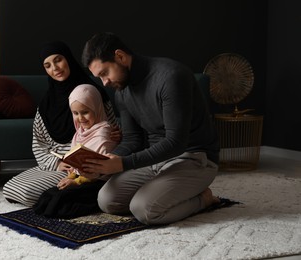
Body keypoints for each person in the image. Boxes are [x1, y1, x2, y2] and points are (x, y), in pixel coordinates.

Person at [80, 32, 220, 225]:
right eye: (99, 77)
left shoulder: (171, 77)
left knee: (144, 210)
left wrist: (122, 164)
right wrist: (101, 165)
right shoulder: (122, 90)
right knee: (107, 201)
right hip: (156, 160)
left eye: (104, 73)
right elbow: (132, 140)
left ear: (120, 56)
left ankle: (203, 199)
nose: (105, 83)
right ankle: (161, 191)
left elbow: (176, 143)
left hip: (194, 157)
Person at [3, 41, 119, 207]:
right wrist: (56, 163)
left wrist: (117, 136)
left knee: (29, 194)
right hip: (57, 164)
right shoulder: (46, 104)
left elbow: (110, 129)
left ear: (69, 59)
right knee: (11, 188)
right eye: (48, 65)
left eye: (58, 60)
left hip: (85, 168)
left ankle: (88, 186)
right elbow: (39, 144)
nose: (55, 68)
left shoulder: (93, 93)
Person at [33, 84, 118, 218]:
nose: (80, 118)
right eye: (75, 113)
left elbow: (99, 171)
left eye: (85, 112)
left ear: (97, 108)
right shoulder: (80, 133)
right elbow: (75, 163)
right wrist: (69, 177)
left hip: (98, 182)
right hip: (80, 179)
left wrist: (75, 182)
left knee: (62, 201)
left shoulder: (105, 133)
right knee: (47, 196)